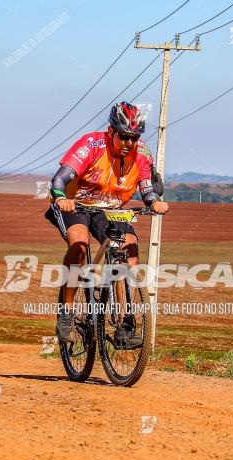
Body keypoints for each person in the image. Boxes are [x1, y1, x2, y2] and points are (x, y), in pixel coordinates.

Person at [45, 101, 168, 346]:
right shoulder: (91, 145)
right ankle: (67, 313)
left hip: (109, 209)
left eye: (134, 137)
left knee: (129, 251)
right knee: (79, 245)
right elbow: (59, 180)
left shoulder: (141, 154)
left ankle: (124, 323)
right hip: (75, 204)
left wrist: (154, 201)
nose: (128, 143)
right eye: (123, 137)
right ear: (111, 131)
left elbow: (147, 188)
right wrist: (61, 198)